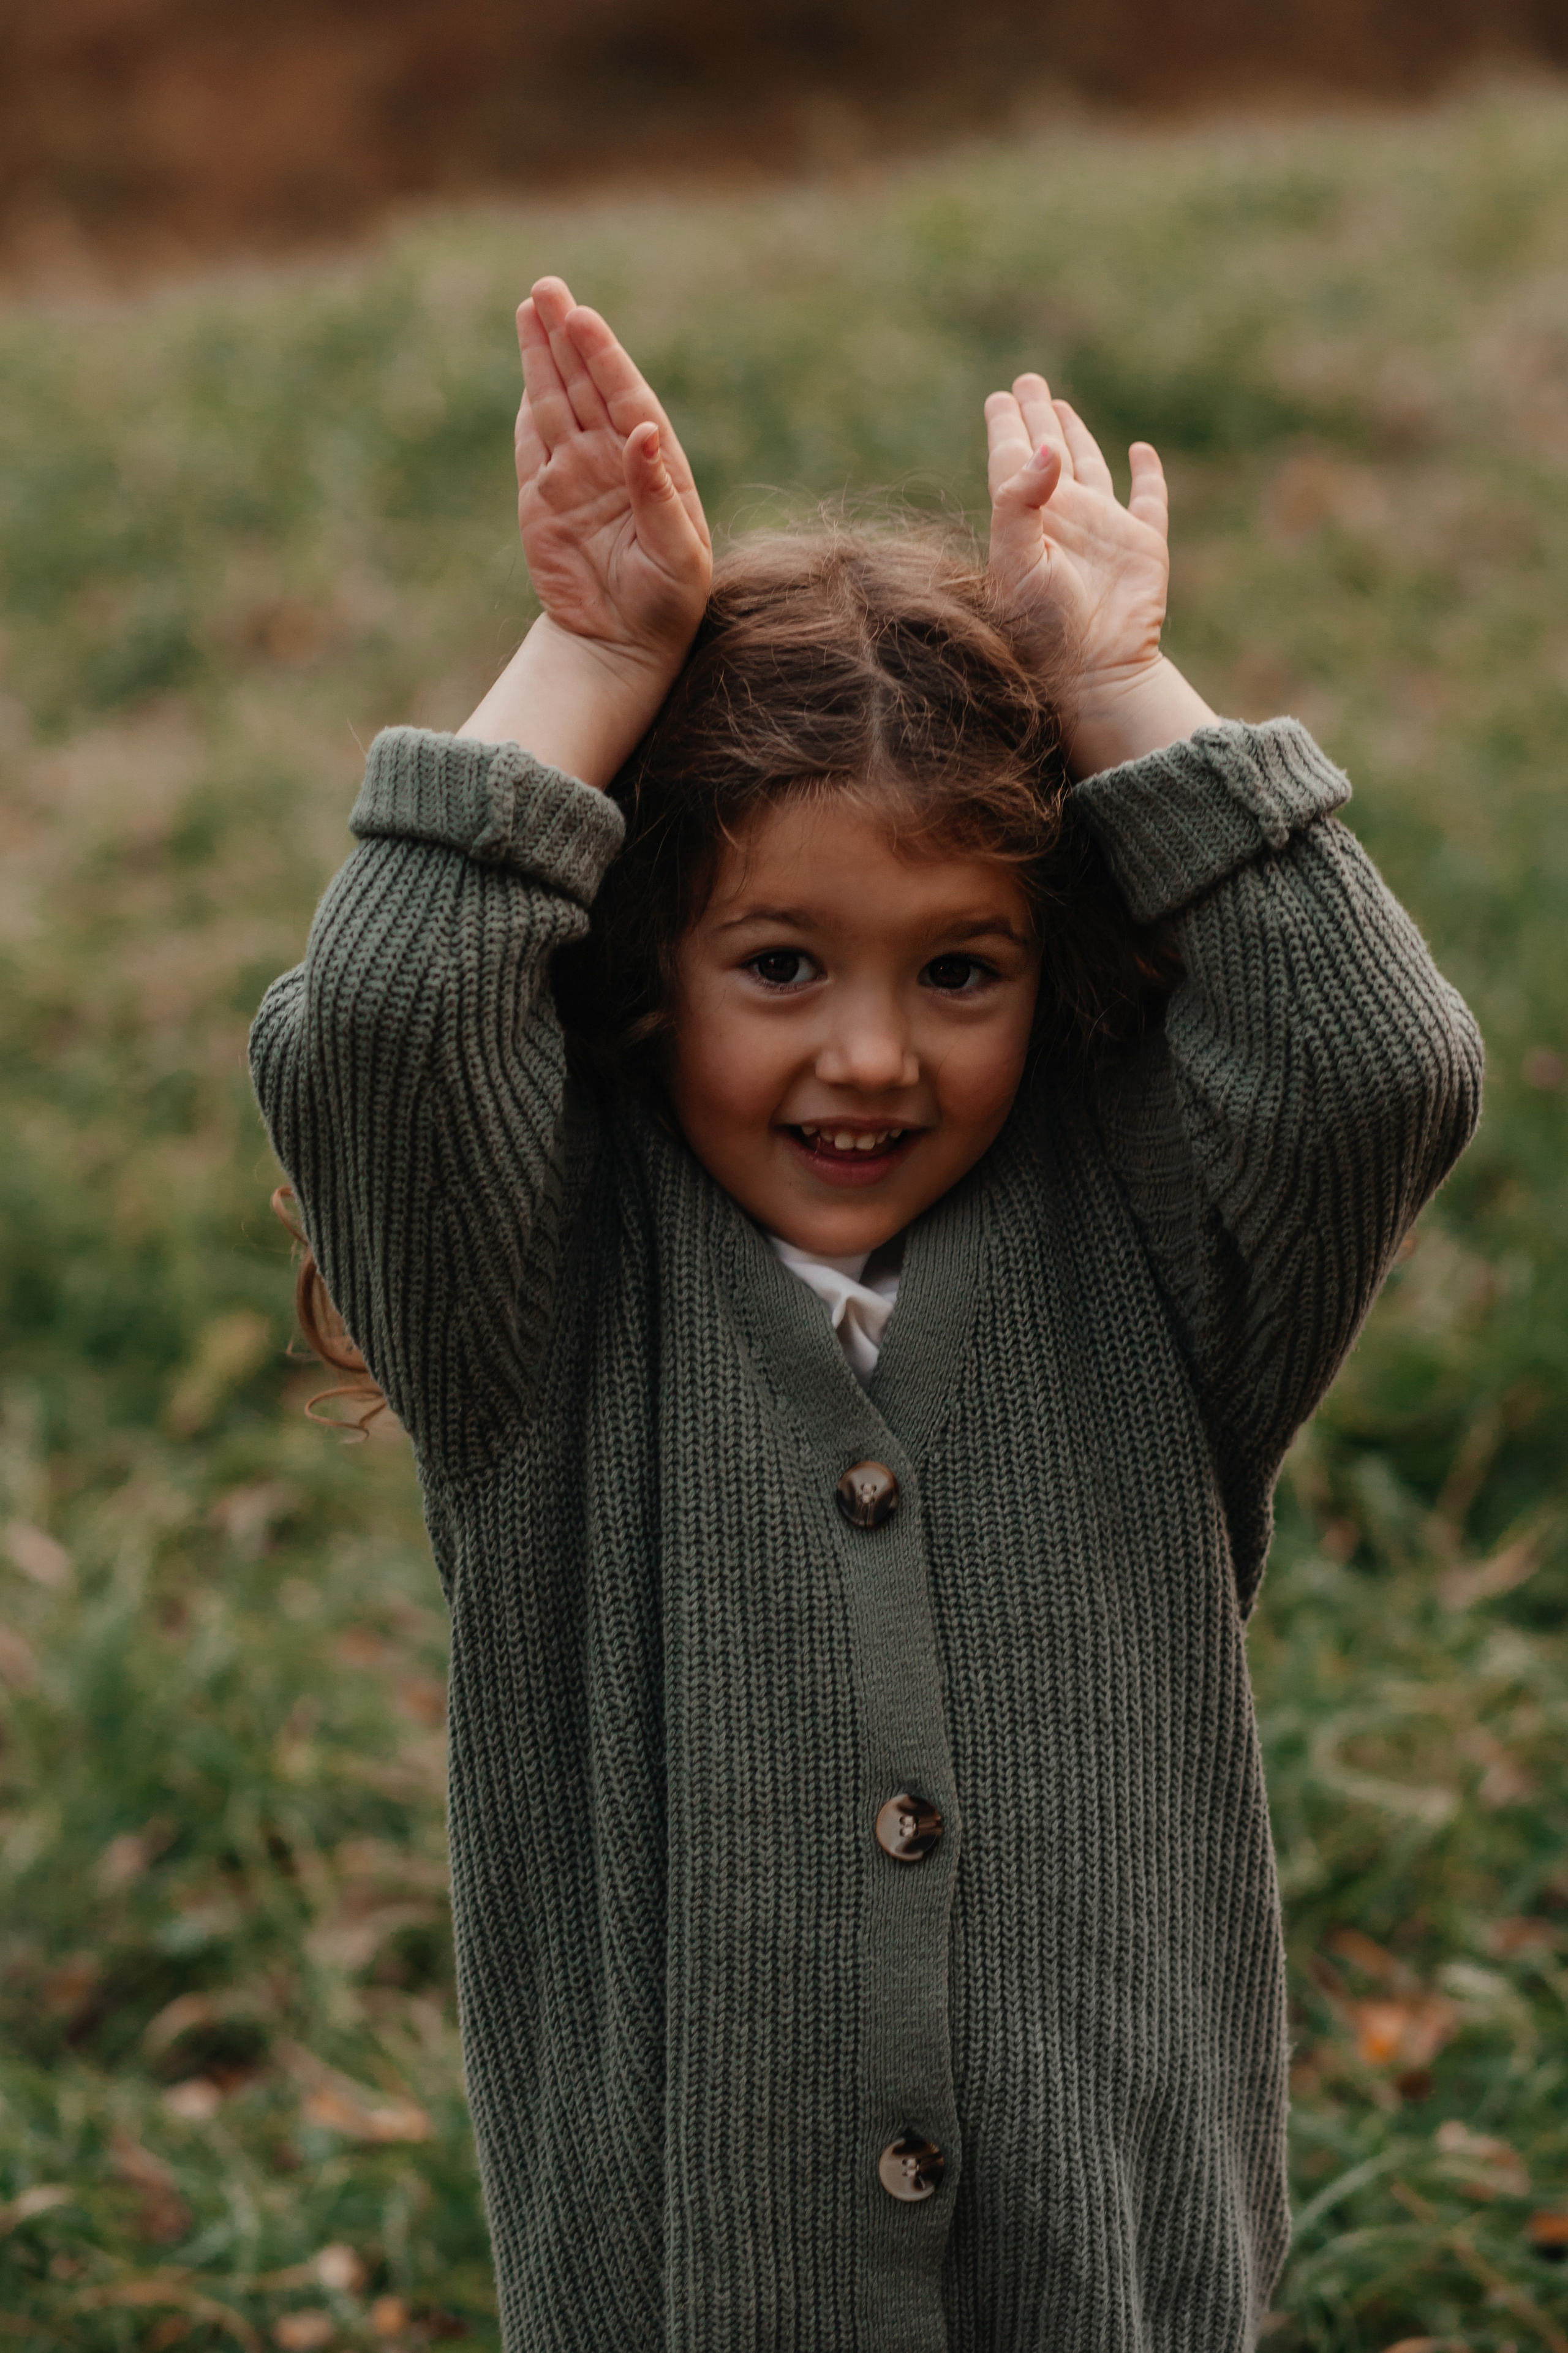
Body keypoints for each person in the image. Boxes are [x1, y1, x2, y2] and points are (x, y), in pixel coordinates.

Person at [251, 274, 1482, 2351]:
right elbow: (379, 1018)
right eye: (784, 965)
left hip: (1121, 2289)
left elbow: (1381, 1065)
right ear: (649, 968)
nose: (875, 1057)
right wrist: (593, 651)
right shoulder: (538, 1298)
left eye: (962, 970)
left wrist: (1114, 685)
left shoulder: (1153, 1253)